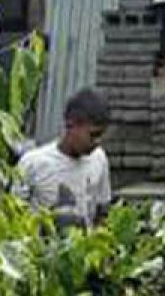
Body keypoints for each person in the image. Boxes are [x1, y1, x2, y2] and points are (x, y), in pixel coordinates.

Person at [13, 86, 112, 229]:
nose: (97, 142)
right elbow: (14, 216)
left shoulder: (99, 160)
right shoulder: (33, 163)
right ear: (70, 125)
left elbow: (102, 213)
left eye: (101, 135)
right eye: (93, 135)